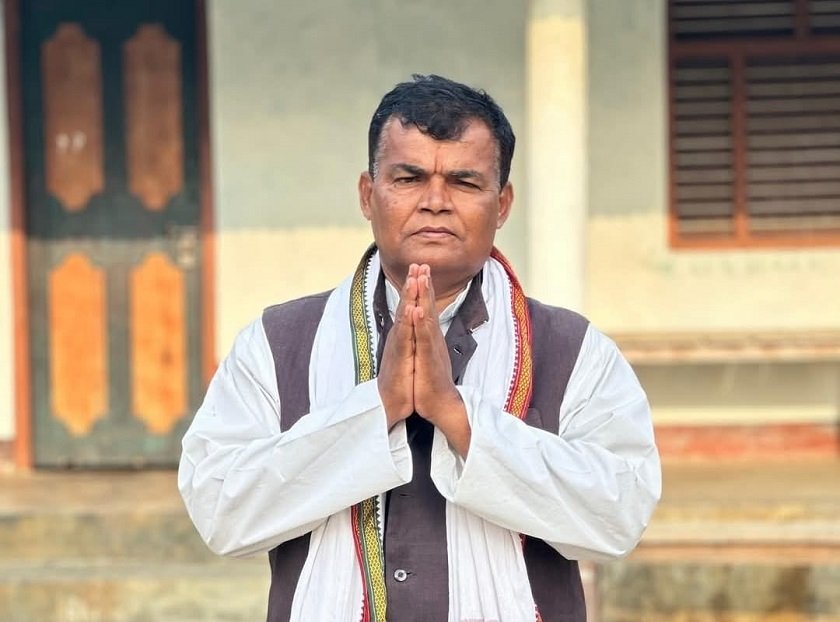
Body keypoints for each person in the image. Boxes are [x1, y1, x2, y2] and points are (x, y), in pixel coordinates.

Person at [178, 74, 661, 622]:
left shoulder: (572, 350)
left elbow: (620, 516)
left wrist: (457, 416)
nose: (435, 203)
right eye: (408, 178)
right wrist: (378, 407)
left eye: (463, 181)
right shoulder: (278, 342)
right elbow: (219, 512)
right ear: (368, 195)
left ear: (502, 204)